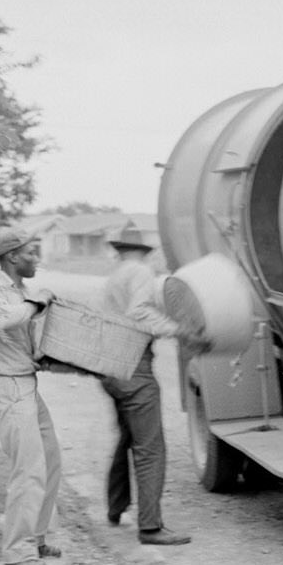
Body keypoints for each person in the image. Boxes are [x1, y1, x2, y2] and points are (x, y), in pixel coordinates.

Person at [100, 227, 201, 545]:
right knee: (150, 448)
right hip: (134, 366)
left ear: (120, 250)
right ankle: (150, 527)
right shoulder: (141, 272)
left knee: (127, 437)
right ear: (144, 252)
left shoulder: (113, 277)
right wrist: (180, 331)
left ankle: (115, 507)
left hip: (109, 365)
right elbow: (139, 313)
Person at [0, 226, 62, 565]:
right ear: (12, 256)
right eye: (31, 253)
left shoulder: (20, 291)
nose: (37, 260)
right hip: (6, 388)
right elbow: (3, 320)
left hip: (24, 384)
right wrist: (36, 302)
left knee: (51, 461)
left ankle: (36, 537)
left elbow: (22, 340)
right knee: (28, 470)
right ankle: (17, 551)